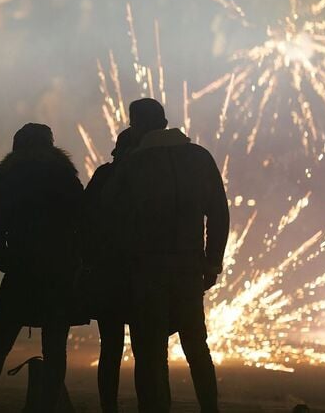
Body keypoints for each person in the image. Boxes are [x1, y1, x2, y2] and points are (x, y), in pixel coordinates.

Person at [102, 98, 229, 413]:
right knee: (197, 347)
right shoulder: (199, 157)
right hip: (189, 268)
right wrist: (212, 261)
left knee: (150, 353)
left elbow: (108, 212)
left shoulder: (135, 164)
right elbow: (219, 213)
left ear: (137, 126)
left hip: (147, 271)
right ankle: (210, 408)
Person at [0, 123, 85, 412]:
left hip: (21, 272)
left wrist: (7, 262)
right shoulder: (65, 178)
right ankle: (46, 407)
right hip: (58, 273)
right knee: (56, 349)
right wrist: (74, 262)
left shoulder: (9, 180)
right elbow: (83, 225)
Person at [80, 122, 151, 413]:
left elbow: (84, 218)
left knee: (109, 348)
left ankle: (108, 406)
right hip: (140, 275)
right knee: (145, 350)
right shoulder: (149, 178)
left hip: (107, 274)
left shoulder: (104, 175)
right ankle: (149, 405)